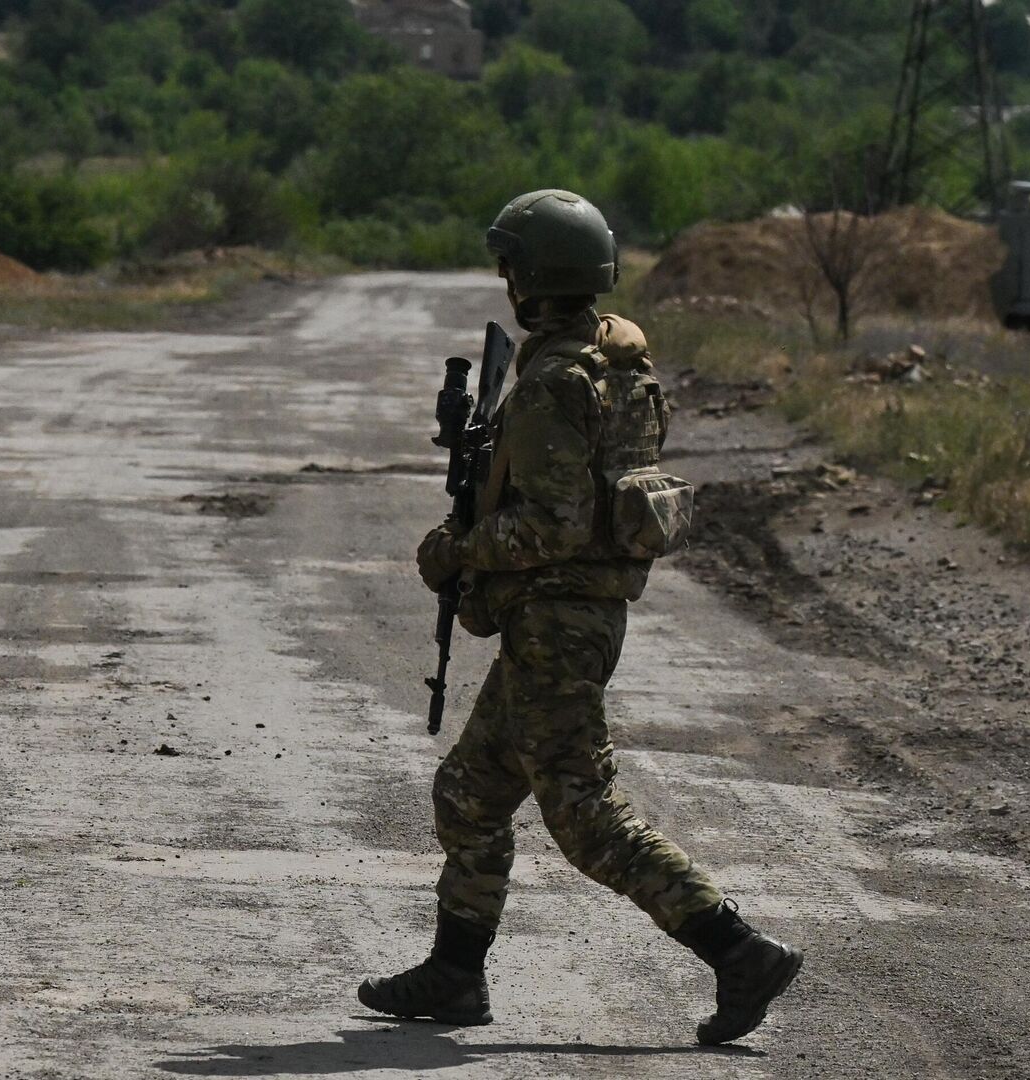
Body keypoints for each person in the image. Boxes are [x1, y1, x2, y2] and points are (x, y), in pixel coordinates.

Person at [357, 189, 803, 1046]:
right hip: (570, 620)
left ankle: (738, 951)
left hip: (557, 623)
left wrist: (457, 551)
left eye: (510, 267)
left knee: (586, 815)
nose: (505, 280)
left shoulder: (555, 384)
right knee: (470, 793)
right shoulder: (616, 364)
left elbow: (554, 527)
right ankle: (455, 974)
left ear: (530, 277)